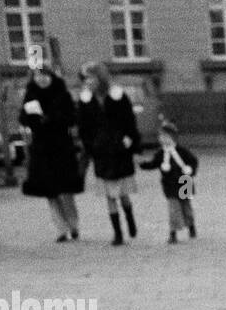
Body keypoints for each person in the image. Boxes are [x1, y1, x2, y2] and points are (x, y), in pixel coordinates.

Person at [77, 61, 140, 245]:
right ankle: (118, 233)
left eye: (90, 77)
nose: (87, 81)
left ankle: (129, 216)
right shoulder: (85, 100)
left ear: (100, 77)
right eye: (85, 78)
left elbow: (130, 120)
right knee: (109, 195)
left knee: (122, 193)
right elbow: (83, 126)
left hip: (119, 149)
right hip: (101, 152)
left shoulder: (118, 96)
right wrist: (90, 146)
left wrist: (130, 140)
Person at [19, 64, 84, 242]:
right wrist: (32, 116)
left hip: (61, 147)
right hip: (41, 148)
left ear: (51, 76)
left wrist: (52, 118)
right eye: (38, 76)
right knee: (50, 191)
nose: (41, 79)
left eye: (44, 75)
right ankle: (61, 229)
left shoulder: (62, 94)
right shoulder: (30, 95)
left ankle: (74, 225)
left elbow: (72, 117)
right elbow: (23, 119)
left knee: (65, 189)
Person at [137, 120, 198, 244]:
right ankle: (173, 233)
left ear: (173, 138)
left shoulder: (182, 151)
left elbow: (193, 161)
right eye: (161, 137)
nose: (163, 139)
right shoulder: (160, 154)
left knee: (186, 206)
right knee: (173, 209)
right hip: (169, 184)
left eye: (166, 136)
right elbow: (153, 164)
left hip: (185, 181)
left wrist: (190, 170)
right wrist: (142, 164)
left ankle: (191, 225)